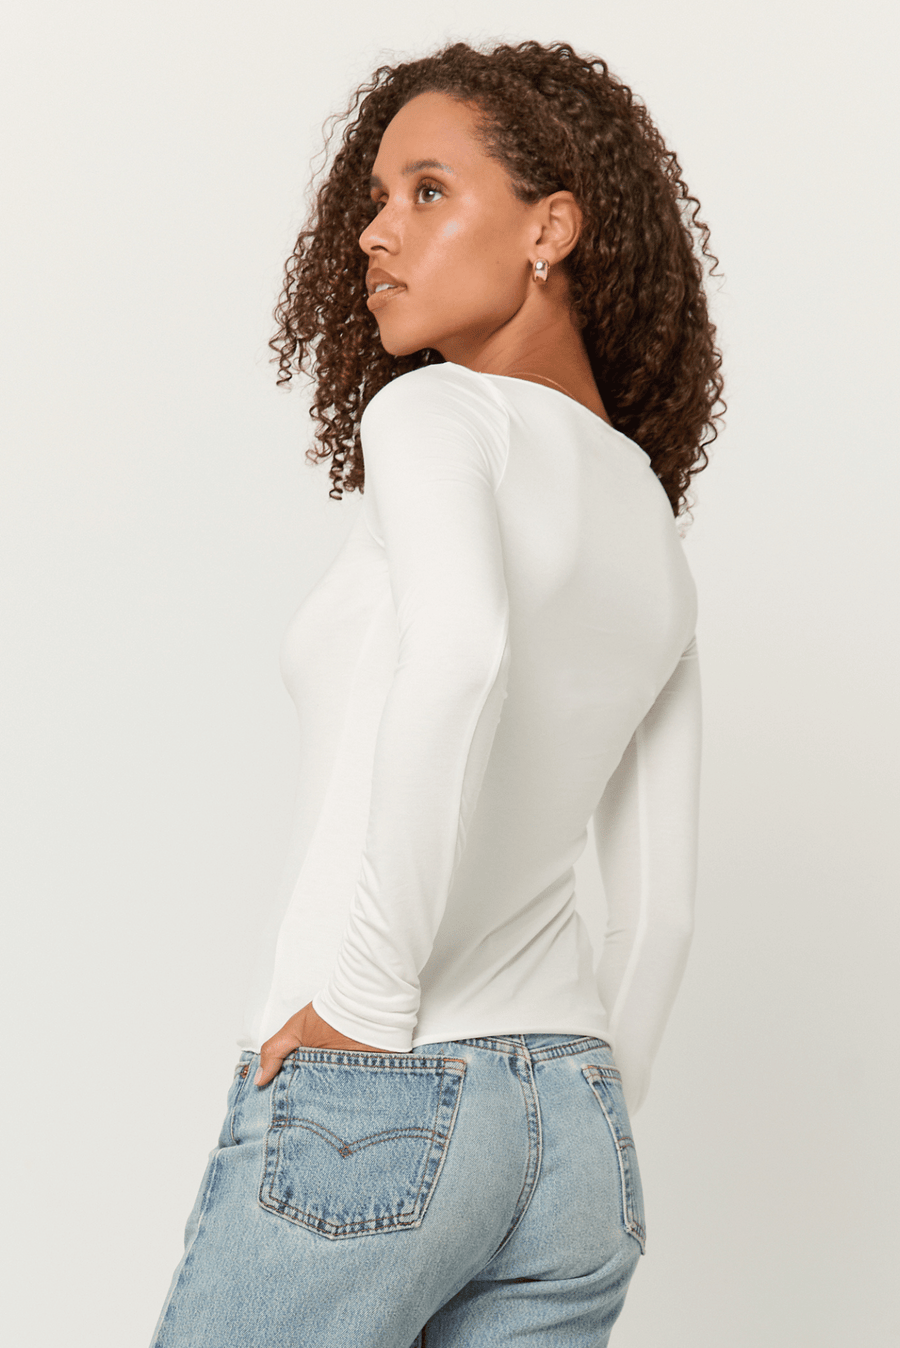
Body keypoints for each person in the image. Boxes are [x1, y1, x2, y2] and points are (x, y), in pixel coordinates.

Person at [149, 38, 723, 1348]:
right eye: (374, 199)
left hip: (385, 1087)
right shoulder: (649, 522)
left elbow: (461, 656)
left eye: (426, 191)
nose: (374, 233)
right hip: (577, 1128)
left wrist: (361, 1006)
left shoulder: (437, 417)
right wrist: (587, 1104)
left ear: (551, 230)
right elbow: (663, 910)